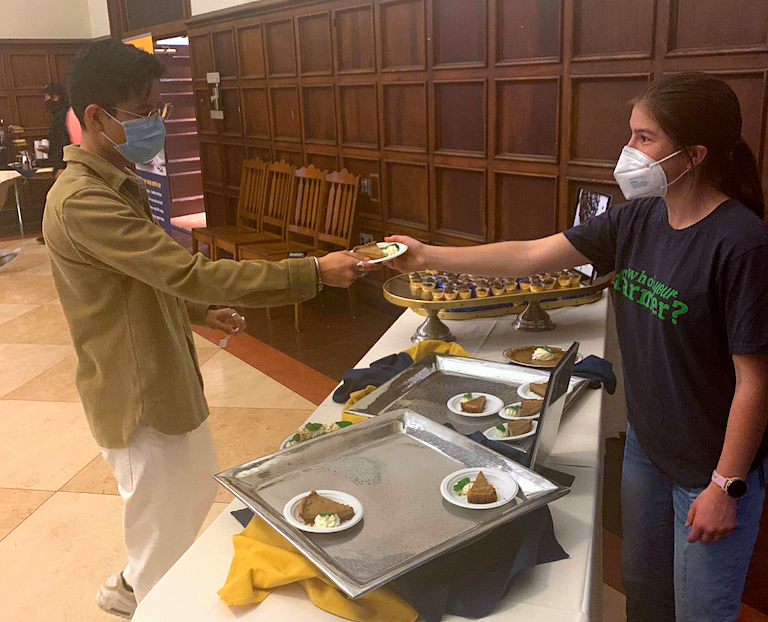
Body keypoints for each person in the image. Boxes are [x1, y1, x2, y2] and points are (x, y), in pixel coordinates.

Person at [388, 72, 768, 622]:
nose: (627, 151)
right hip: (648, 448)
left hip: (709, 469)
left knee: (701, 611)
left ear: (694, 154)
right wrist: (427, 256)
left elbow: (756, 381)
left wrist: (724, 486)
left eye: (644, 138)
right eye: (630, 135)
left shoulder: (742, 242)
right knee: (644, 593)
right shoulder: (639, 217)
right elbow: (530, 255)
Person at [43, 39, 372, 619]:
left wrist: (197, 311)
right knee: (164, 530)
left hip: (164, 373)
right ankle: (145, 600)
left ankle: (128, 583)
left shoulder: (118, 179)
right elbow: (184, 269)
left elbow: (142, 279)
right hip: (136, 393)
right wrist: (312, 272)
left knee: (188, 495)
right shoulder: (82, 201)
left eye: (158, 111)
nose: (155, 125)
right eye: (144, 112)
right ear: (96, 116)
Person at [37, 83, 72, 244]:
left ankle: (58, 233)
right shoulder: (60, 114)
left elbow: (63, 141)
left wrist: (60, 165)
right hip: (61, 162)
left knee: (59, 199)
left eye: (47, 97)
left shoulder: (63, 115)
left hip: (64, 164)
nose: (46, 101)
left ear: (55, 97)